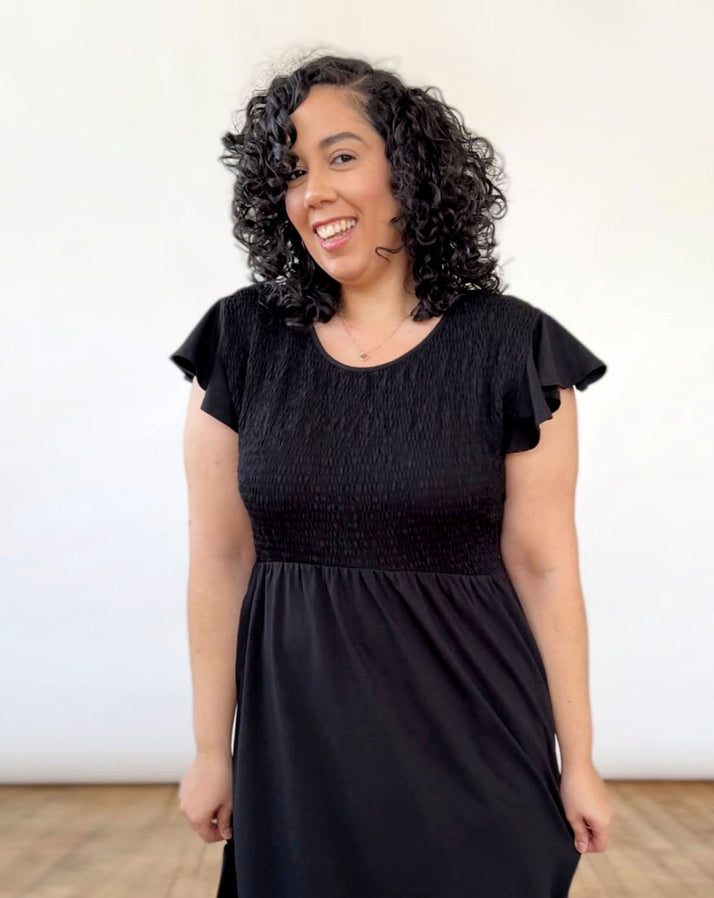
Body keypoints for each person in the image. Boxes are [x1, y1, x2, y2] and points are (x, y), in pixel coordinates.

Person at [170, 52, 613, 898]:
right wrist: (208, 749)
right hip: (297, 757)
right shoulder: (240, 341)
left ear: (409, 170)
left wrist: (579, 760)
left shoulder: (514, 348)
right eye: (291, 172)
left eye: (341, 157)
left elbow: (545, 565)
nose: (314, 192)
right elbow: (220, 558)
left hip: (476, 740)